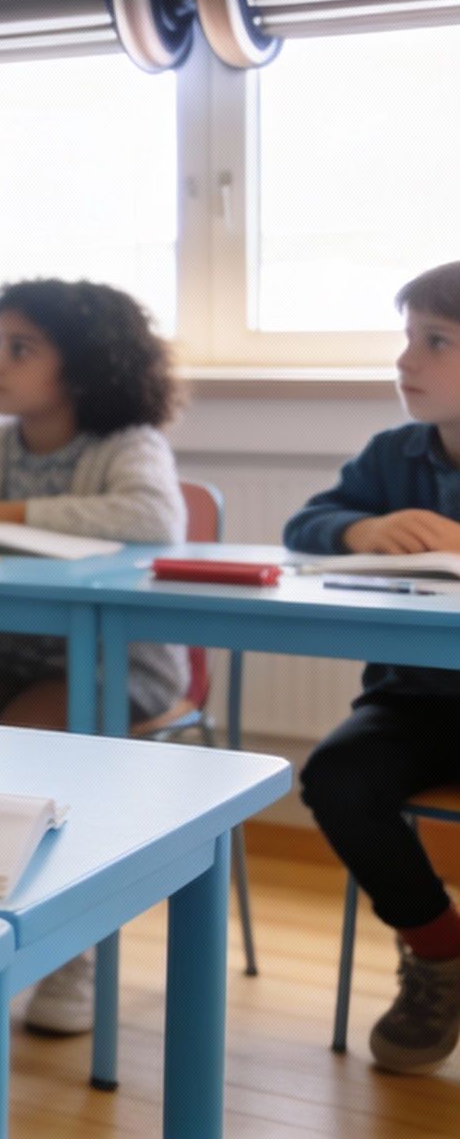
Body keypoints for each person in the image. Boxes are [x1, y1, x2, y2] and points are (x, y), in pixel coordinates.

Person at [0, 277, 186, 1036]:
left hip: (114, 664)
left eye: (20, 348)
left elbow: (151, 517)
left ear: (83, 366)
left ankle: (68, 950)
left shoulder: (127, 445)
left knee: (36, 736)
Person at [289, 260, 460, 1075]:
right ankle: (439, 950)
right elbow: (310, 520)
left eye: (437, 342)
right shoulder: (393, 455)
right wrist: (359, 532)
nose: (406, 361)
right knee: (337, 776)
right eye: (407, 339)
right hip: (415, 701)